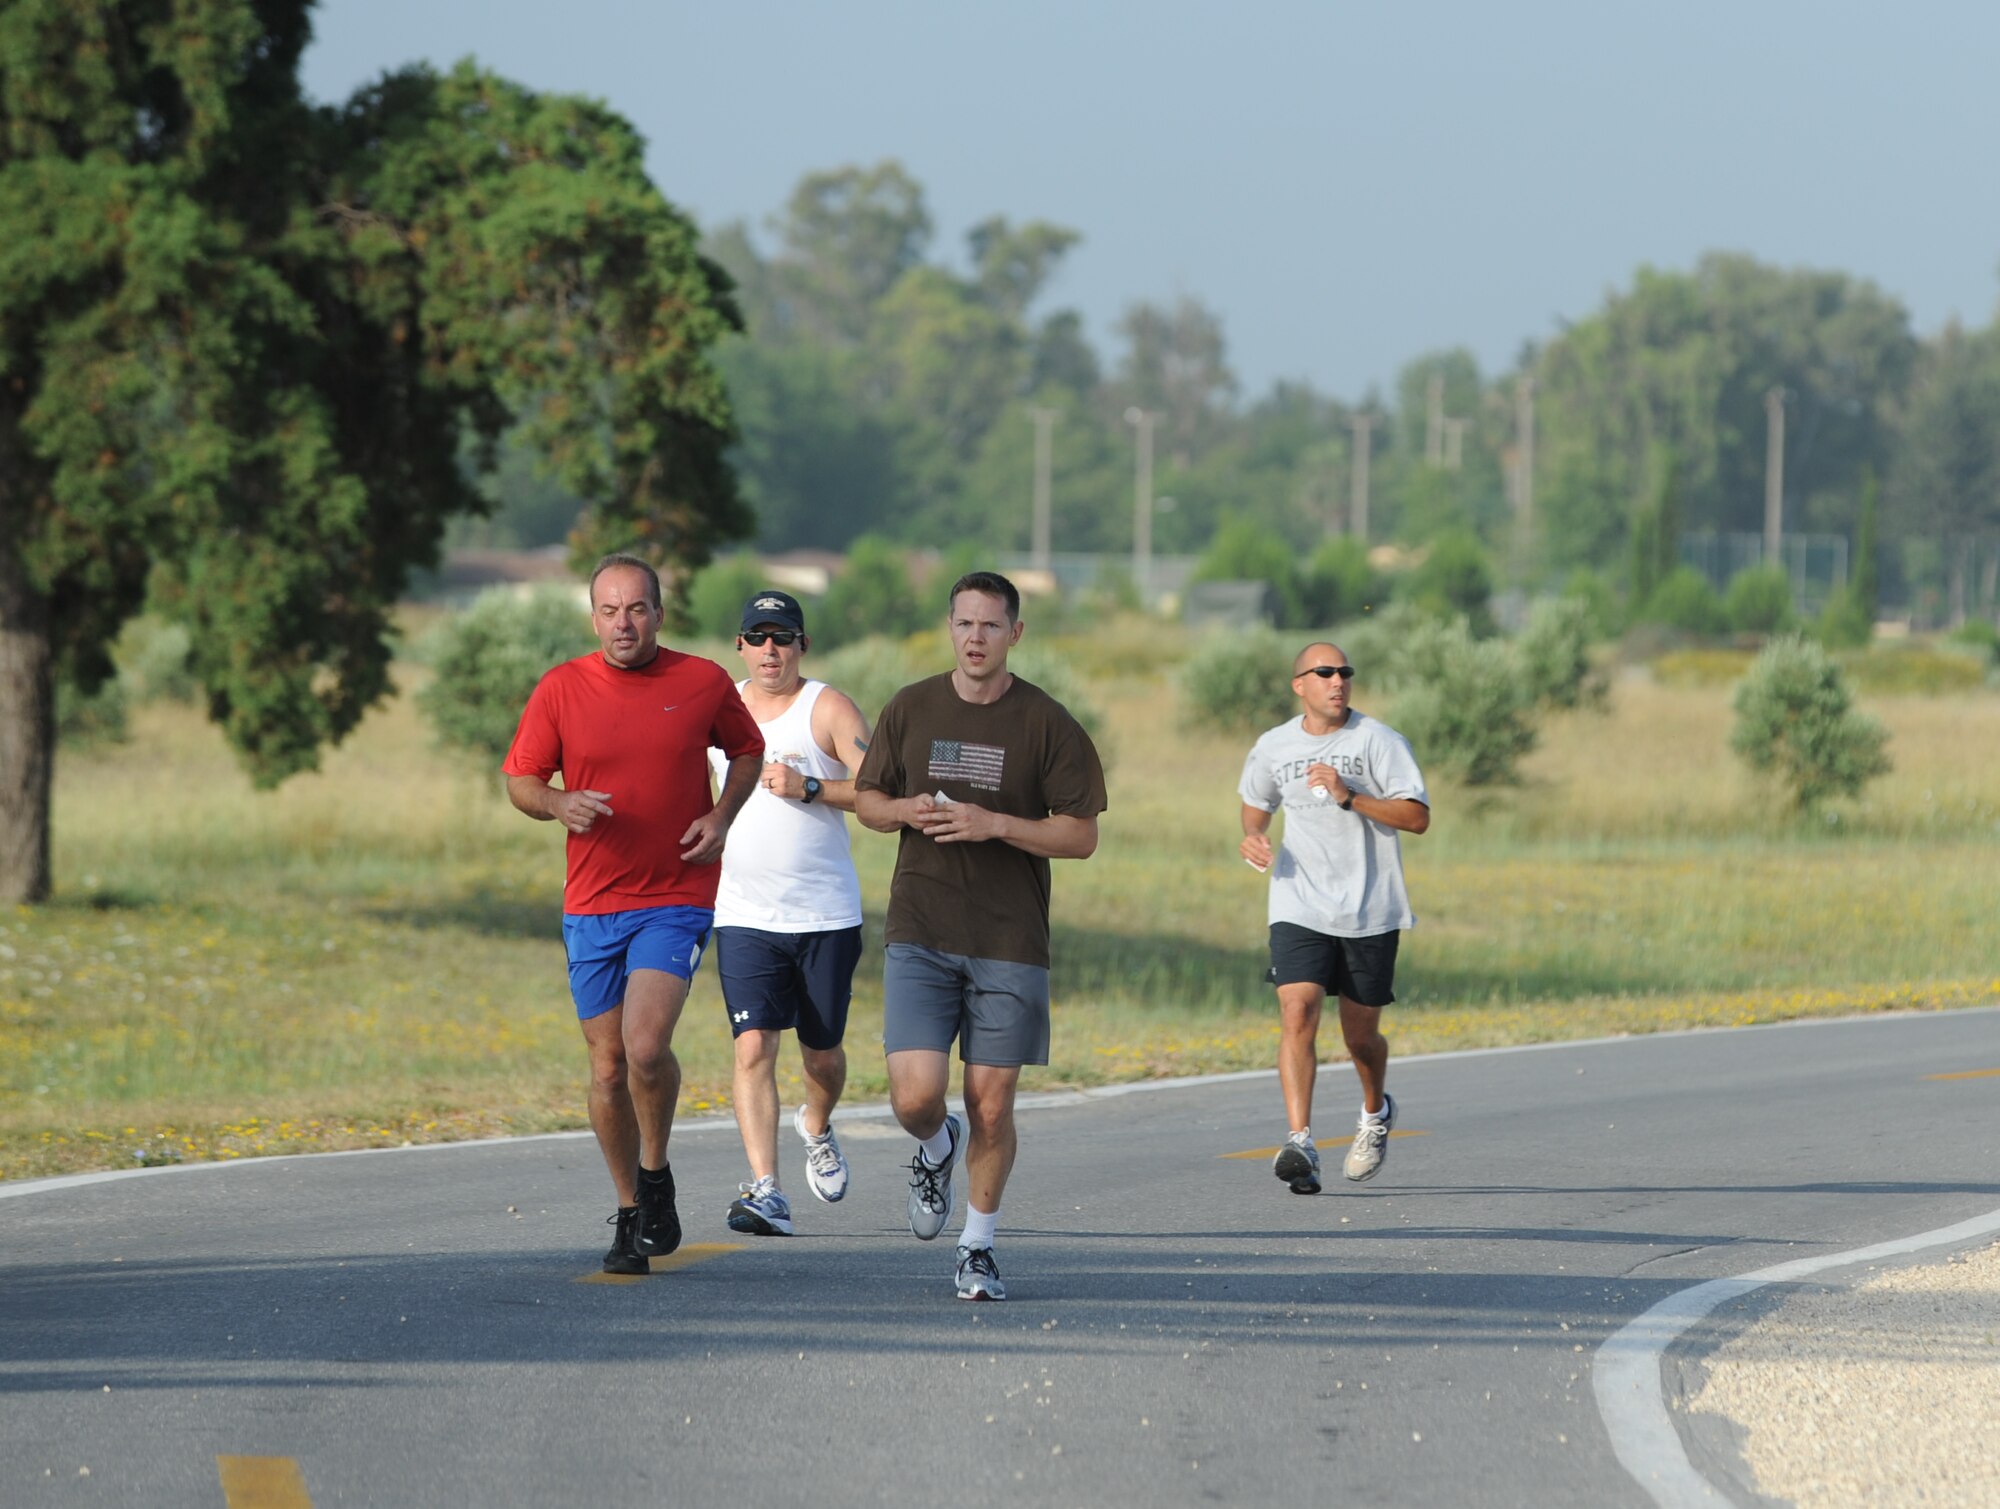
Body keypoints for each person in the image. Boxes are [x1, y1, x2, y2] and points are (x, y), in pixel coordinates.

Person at [503, 554, 764, 1273]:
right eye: (611, 610)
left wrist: (721, 815)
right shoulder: (561, 687)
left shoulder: (702, 680)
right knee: (609, 1065)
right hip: (592, 902)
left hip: (675, 893)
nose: (625, 622)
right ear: (594, 618)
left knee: (646, 1045)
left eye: (638, 608)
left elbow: (747, 750)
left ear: (659, 612)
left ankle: (656, 1173)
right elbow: (521, 779)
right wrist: (558, 802)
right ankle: (628, 1211)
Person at [854, 571, 1106, 1302]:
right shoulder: (911, 707)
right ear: (950, 628)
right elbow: (867, 801)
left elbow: (1082, 833)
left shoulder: (1046, 723)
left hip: (1009, 938)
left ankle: (978, 1247)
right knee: (914, 1097)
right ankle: (936, 1146)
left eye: (991, 626)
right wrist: (905, 809)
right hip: (921, 927)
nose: (975, 638)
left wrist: (995, 824)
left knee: (993, 1104)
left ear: (1015, 634)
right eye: (964, 623)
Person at [706, 589, 873, 1237]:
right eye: (758, 636)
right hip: (744, 913)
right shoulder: (718, 710)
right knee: (753, 1046)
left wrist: (807, 785)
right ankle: (766, 1187)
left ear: (803, 644)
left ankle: (817, 1125)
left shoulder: (826, 707)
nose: (770, 649)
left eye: (783, 636)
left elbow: (880, 790)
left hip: (825, 914)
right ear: (740, 645)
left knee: (822, 1056)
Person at [1237, 641, 1430, 1195]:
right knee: (1297, 1012)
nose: (1338, 680)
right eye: (1324, 672)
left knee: (1360, 1037)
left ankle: (1375, 1112)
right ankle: (1299, 1140)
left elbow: (1416, 817)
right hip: (1298, 900)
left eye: (1344, 671)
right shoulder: (1274, 745)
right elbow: (1257, 801)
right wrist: (1253, 834)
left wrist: (1350, 797)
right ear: (1300, 683)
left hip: (1371, 907)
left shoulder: (1379, 741)